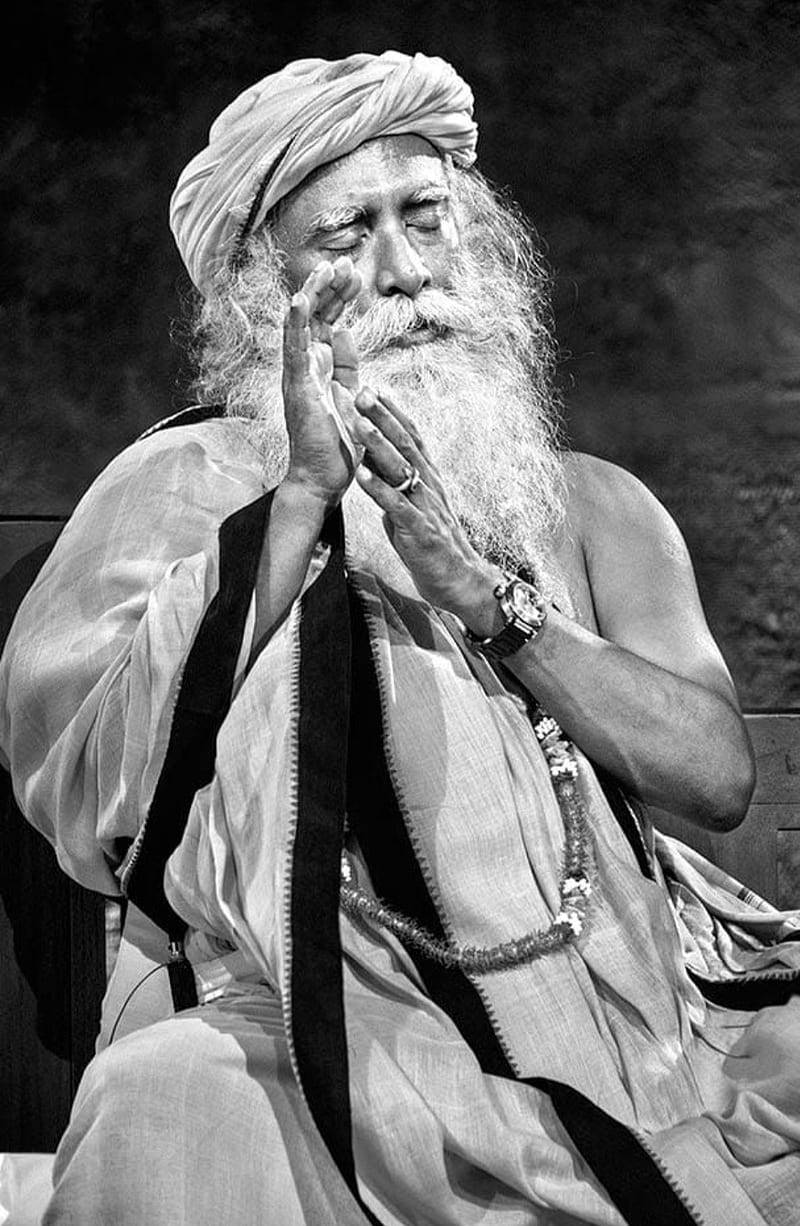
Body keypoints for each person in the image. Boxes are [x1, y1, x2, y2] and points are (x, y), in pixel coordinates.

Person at [1, 50, 799, 1226]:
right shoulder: (180, 484)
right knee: (165, 1102)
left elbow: (714, 775)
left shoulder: (590, 502)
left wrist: (490, 603)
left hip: (630, 1003)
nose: (403, 269)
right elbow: (92, 786)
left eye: (424, 217)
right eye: (343, 236)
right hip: (315, 1008)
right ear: (254, 289)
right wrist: (294, 511)